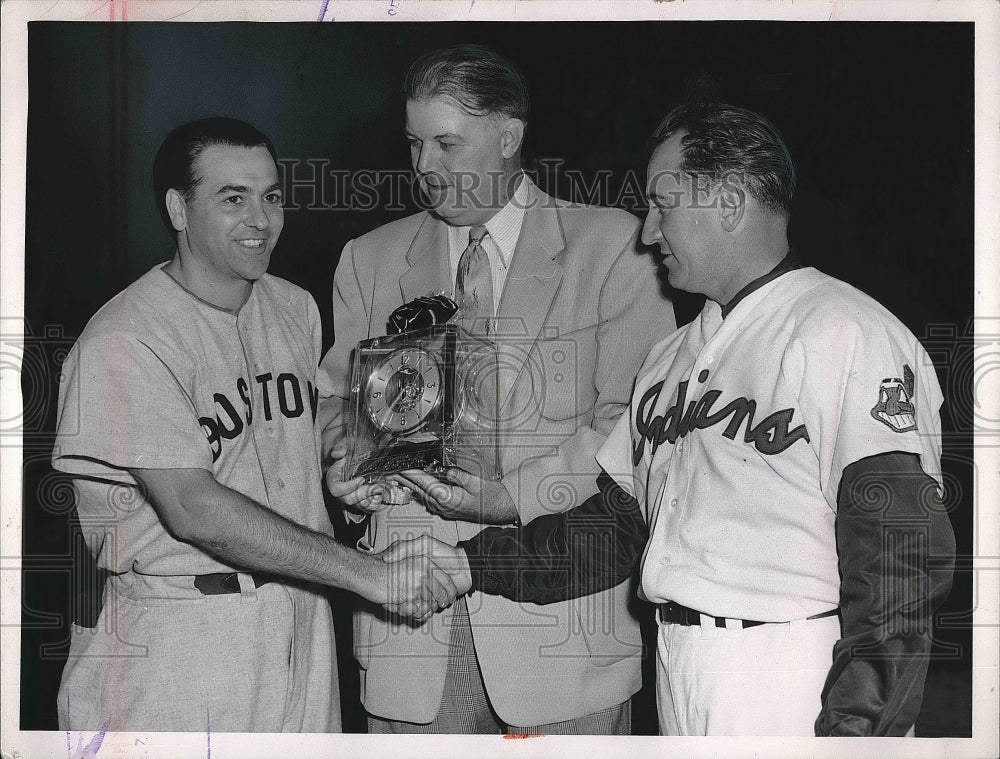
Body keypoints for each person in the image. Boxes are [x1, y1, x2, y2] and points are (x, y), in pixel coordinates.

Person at [387, 97, 957, 736]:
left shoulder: (846, 332)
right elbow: (613, 531)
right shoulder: (669, 358)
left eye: (663, 203)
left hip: (793, 673)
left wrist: (858, 737)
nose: (647, 231)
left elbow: (900, 564)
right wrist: (469, 564)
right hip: (676, 667)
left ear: (730, 204)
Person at [50, 117, 461, 733]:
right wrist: (369, 575)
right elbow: (193, 507)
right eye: (232, 198)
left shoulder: (292, 306)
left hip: (301, 619)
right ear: (178, 209)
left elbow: (303, 420)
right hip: (179, 635)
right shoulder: (125, 340)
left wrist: (348, 459)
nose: (261, 219)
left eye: (271, 196)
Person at [318, 45, 675, 734]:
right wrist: (346, 472)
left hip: (561, 641)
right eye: (416, 144)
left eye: (448, 144)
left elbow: (630, 425)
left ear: (509, 136)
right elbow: (339, 408)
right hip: (408, 632)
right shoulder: (367, 259)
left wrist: (511, 495)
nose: (425, 168)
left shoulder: (614, 247)